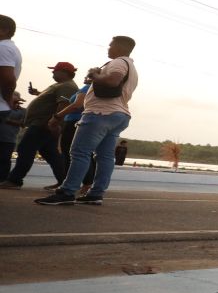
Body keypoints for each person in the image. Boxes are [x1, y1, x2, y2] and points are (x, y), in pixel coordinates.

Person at [36, 36, 138, 206]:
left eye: (111, 45)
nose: (108, 48)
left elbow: (113, 80)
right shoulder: (131, 67)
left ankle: (67, 192)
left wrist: (95, 75)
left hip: (100, 113)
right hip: (118, 115)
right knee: (105, 157)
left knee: (79, 153)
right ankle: (96, 194)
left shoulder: (118, 62)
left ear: (120, 47)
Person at [0, 61, 78, 190]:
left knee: (25, 149)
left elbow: (63, 105)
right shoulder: (61, 85)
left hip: (43, 124)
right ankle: (63, 181)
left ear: (64, 72)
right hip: (45, 124)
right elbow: (53, 99)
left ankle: (15, 180)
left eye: (55, 70)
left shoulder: (67, 86)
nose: (53, 72)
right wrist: (38, 93)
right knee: (51, 154)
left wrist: (54, 122)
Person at [0, 15, 20, 113]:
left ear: (4, 31)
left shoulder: (3, 47)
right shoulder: (7, 47)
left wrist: (8, 99)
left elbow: (8, 80)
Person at [0, 105, 25, 182]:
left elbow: (24, 124)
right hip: (8, 139)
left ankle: (3, 179)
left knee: (5, 160)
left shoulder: (21, 111)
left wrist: (8, 120)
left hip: (9, 139)